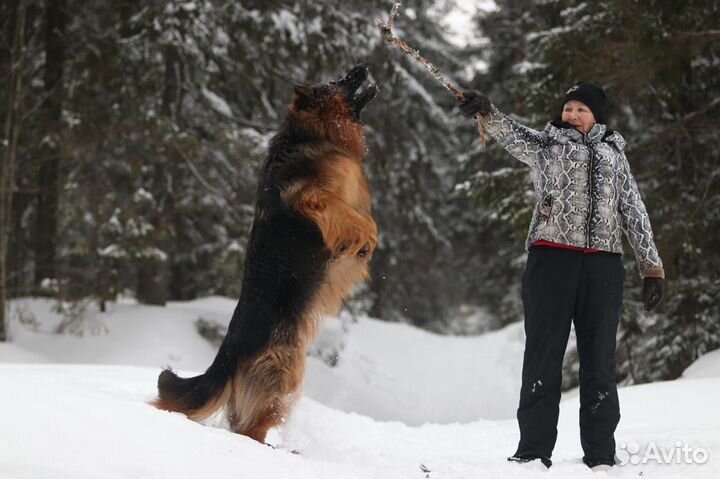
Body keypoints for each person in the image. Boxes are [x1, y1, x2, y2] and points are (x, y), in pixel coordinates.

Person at [459, 83, 665, 469]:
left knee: (600, 360)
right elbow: (510, 133)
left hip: (603, 265)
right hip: (551, 261)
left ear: (596, 117)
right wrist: (485, 110)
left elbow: (633, 209)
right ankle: (534, 451)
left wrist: (651, 267)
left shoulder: (615, 155)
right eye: (567, 107)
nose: (571, 115)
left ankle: (601, 454)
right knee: (543, 356)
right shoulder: (546, 145)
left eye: (580, 109)